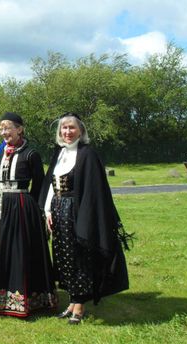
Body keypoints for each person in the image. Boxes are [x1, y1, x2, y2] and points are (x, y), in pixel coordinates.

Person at [39, 112, 130, 324]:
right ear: (59, 131)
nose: (68, 132)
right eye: (64, 128)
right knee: (64, 257)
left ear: (81, 130)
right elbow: (51, 185)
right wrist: (48, 212)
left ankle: (79, 305)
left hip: (78, 211)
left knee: (80, 256)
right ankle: (72, 299)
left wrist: (85, 218)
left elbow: (94, 190)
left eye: (72, 128)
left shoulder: (88, 154)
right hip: (59, 210)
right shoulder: (59, 153)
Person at [0, 112, 56, 318]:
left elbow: (39, 184)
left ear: (19, 129)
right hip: (1, 204)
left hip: (21, 206)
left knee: (21, 248)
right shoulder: (0, 153)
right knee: (0, 248)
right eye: (1, 128)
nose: (3, 132)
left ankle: (27, 296)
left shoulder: (31, 154)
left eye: (8, 127)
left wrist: (34, 208)